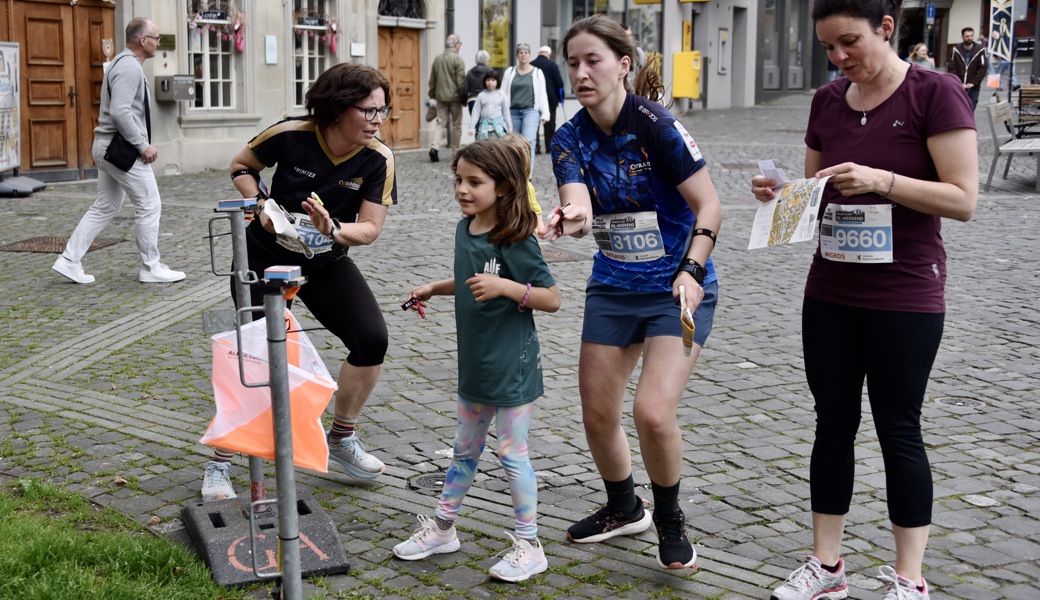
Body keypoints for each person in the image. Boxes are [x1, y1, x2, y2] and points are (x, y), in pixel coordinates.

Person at [751, 2, 977, 599]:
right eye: (828, 48)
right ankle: (827, 568)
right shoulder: (827, 102)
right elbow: (815, 193)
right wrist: (781, 194)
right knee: (832, 423)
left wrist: (885, 182)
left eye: (849, 42)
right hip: (831, 289)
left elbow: (963, 198)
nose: (839, 58)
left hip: (906, 292)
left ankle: (910, 579)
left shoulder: (936, 92)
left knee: (898, 427)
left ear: (886, 27)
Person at [541, 14, 722, 571]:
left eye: (593, 60)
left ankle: (669, 517)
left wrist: (691, 270)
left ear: (623, 64)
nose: (580, 72)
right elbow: (581, 209)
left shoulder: (656, 126)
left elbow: (709, 206)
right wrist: (566, 218)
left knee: (652, 414)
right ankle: (624, 507)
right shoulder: (569, 136)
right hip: (614, 286)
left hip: (677, 289)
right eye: (573, 62)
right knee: (597, 413)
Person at [202, 62, 397, 501]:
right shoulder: (291, 133)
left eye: (382, 111)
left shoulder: (379, 158)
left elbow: (369, 229)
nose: (376, 121)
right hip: (265, 258)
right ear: (337, 108)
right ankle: (221, 462)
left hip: (327, 261)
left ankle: (341, 439)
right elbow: (241, 165)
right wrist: (261, 204)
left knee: (371, 339)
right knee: (254, 354)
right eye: (368, 111)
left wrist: (332, 230)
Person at [393, 139, 560, 583]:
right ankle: (443, 529)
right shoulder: (464, 228)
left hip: (513, 367)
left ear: (503, 186)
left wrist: (507, 288)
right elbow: (471, 279)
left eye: (474, 182)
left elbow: (552, 298)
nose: (462, 189)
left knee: (511, 453)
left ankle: (530, 545)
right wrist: (434, 287)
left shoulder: (516, 238)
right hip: (477, 365)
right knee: (464, 451)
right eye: (458, 180)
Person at [52, 17, 185, 285]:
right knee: (150, 204)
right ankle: (150, 266)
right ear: (143, 40)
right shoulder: (128, 67)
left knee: (106, 205)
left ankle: (68, 260)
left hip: (109, 147)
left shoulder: (125, 65)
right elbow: (121, 111)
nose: (159, 43)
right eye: (156, 38)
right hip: (120, 149)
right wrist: (142, 145)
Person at [502, 43, 550, 163]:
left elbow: (542, 94)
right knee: (513, 144)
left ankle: (528, 176)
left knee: (529, 142)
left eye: (526, 52)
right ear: (517, 55)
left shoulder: (537, 73)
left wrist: (545, 113)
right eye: (521, 52)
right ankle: (516, 172)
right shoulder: (510, 71)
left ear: (530, 55)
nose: (523, 55)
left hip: (530, 111)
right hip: (512, 112)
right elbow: (502, 94)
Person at [428, 34, 466, 163]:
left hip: (440, 97)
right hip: (455, 97)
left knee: (440, 123)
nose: (460, 46)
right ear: (456, 45)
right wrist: (463, 97)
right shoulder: (458, 60)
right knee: (456, 124)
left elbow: (432, 80)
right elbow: (460, 81)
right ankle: (456, 151)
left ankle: (434, 147)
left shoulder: (437, 59)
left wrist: (432, 95)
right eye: (460, 44)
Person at [531, 46, 565, 155]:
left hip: (533, 98)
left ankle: (535, 147)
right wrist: (561, 98)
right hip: (550, 98)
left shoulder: (531, 64)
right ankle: (549, 147)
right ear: (549, 54)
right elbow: (559, 83)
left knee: (534, 123)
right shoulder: (552, 65)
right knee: (549, 123)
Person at [501, 132, 543, 219]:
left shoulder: (526, 187)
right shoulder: (494, 183)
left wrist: (539, 229)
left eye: (516, 164)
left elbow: (536, 212)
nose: (511, 168)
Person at [946, 26, 987, 111]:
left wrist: (973, 83)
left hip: (973, 87)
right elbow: (951, 68)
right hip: (958, 86)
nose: (969, 38)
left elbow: (983, 68)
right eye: (967, 36)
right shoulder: (955, 50)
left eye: (971, 36)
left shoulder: (980, 49)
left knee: (970, 110)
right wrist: (959, 83)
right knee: (958, 111)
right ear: (962, 37)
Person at [468, 70, 511, 140]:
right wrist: (471, 127)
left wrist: (509, 127)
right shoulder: (481, 95)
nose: (490, 82)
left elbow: (506, 112)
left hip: (497, 129)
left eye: (493, 80)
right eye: (488, 80)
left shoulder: (501, 95)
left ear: (497, 81)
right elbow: (476, 112)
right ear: (484, 81)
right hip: (483, 129)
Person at [461, 49, 495, 114]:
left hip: (473, 101)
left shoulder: (470, 72)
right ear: (486, 60)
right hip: (487, 101)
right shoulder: (491, 72)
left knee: (475, 122)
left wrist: (464, 101)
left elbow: (465, 89)